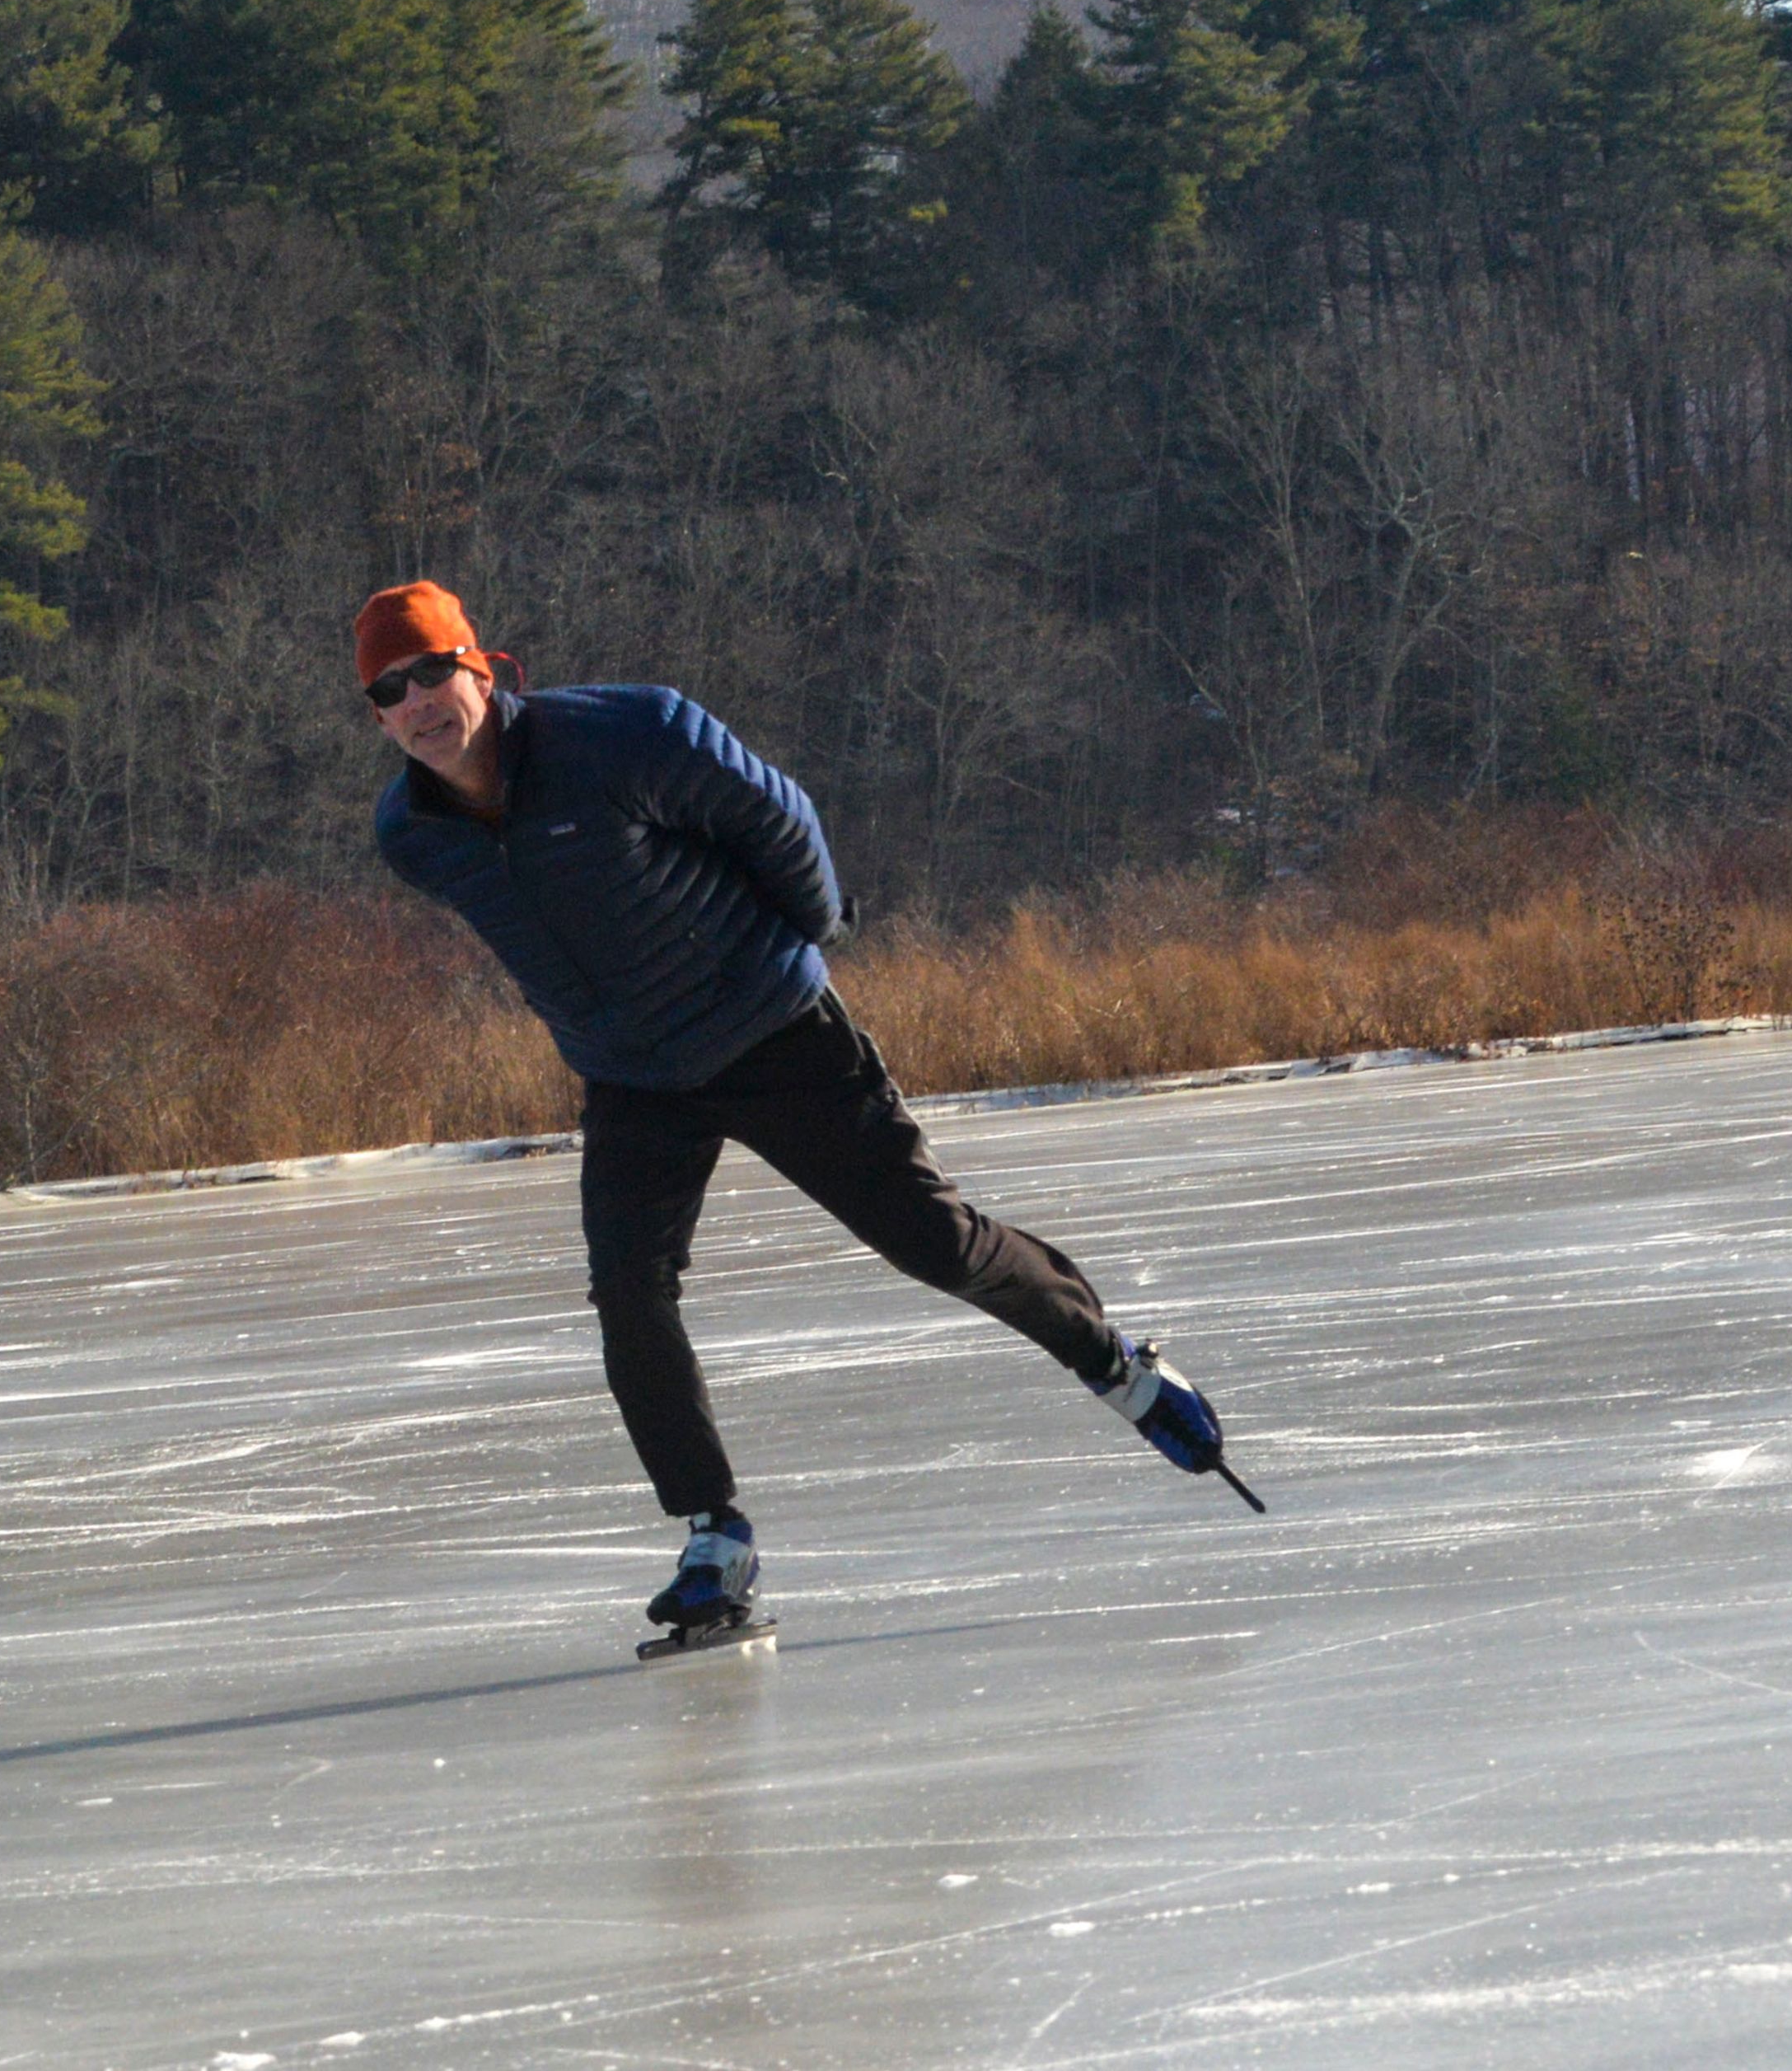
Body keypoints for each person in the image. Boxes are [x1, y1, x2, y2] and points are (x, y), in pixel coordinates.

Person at [353, 580, 1228, 1634]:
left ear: (481, 665)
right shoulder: (413, 832)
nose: (417, 703)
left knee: (936, 1241)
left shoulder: (629, 734)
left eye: (433, 670)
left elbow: (779, 818)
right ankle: (713, 1535)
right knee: (630, 1293)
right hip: (632, 1075)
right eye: (388, 692)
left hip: (771, 1028)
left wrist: (802, 939)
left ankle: (1112, 1363)